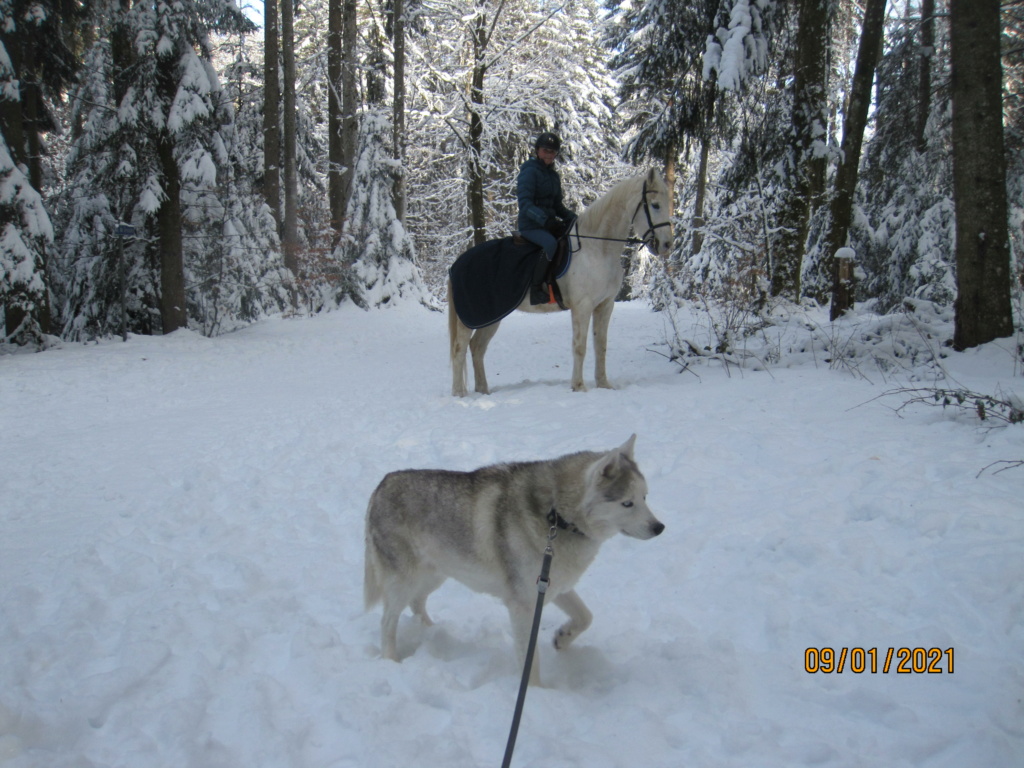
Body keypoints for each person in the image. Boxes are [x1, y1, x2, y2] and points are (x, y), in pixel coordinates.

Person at [516, 132, 577, 261]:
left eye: (552, 152)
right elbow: (525, 204)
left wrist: (574, 218)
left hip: (549, 225)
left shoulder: (553, 176)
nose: (549, 155)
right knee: (551, 244)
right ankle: (539, 281)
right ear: (538, 150)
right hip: (531, 226)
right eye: (545, 151)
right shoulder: (529, 171)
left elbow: (557, 206)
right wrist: (545, 221)